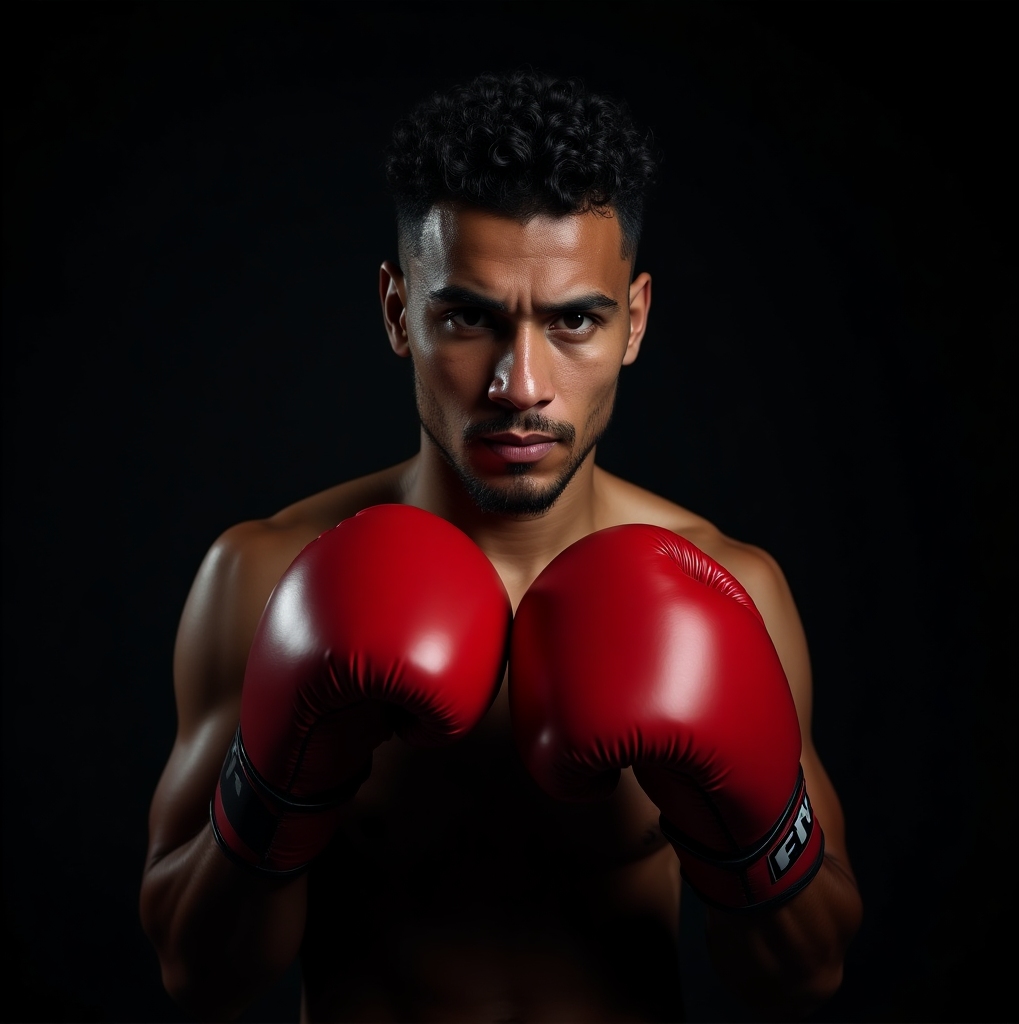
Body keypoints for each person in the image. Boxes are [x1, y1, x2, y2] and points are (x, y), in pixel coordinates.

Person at [139, 68, 863, 1023]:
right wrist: (279, 784)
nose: (521, 384)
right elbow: (199, 973)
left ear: (634, 322)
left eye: (573, 321)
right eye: (469, 317)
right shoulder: (268, 578)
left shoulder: (732, 590)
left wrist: (746, 826)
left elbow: (805, 974)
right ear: (400, 313)